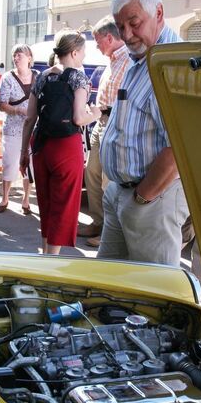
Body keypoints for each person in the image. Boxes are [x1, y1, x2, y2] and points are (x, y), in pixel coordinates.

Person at [98, 0, 188, 267]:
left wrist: (142, 198)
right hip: (125, 194)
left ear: (158, 13)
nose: (126, 34)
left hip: (152, 200)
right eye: (120, 26)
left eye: (134, 23)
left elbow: (180, 148)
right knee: (105, 287)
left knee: (153, 295)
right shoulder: (142, 57)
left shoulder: (175, 65)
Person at [20, 30, 101, 255]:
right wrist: (95, 113)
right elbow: (78, 118)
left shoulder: (42, 77)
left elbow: (29, 119)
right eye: (83, 52)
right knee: (63, 205)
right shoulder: (79, 78)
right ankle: (51, 261)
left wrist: (23, 152)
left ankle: (45, 253)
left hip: (41, 145)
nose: (84, 56)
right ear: (74, 52)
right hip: (66, 146)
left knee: (45, 203)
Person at [77, 16, 129, 248]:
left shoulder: (128, 59)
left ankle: (108, 232)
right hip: (101, 122)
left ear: (109, 37)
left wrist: (104, 110)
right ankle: (98, 221)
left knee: (108, 181)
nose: (96, 46)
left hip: (114, 124)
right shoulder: (112, 60)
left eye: (98, 40)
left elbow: (128, 98)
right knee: (92, 174)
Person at [0, 44, 36, 214]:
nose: (16, 57)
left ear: (29, 58)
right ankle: (5, 198)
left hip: (33, 128)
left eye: (20, 54)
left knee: (30, 165)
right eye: (15, 55)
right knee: (10, 163)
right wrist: (19, 110)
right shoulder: (7, 77)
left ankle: (26, 200)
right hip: (12, 128)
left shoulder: (39, 77)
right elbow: (2, 104)